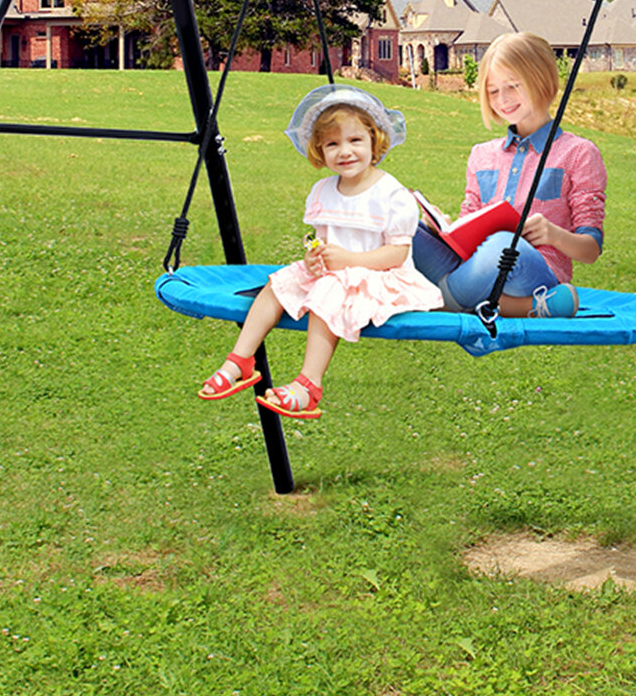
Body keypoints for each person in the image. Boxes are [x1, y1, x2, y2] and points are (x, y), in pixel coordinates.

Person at [196, 84, 442, 419]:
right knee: (277, 284)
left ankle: (309, 385)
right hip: (335, 270)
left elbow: (397, 255)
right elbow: (322, 239)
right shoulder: (324, 190)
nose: (345, 151)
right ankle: (240, 359)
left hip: (378, 276)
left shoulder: (390, 194)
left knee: (328, 289)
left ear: (374, 140)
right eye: (332, 143)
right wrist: (314, 256)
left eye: (355, 140)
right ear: (319, 151)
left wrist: (349, 261)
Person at [412, 31, 605, 319]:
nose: (503, 100)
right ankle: (519, 308)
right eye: (493, 91)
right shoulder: (482, 154)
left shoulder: (578, 153)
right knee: (402, 227)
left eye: (513, 86)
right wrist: (447, 229)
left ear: (541, 80)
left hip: (532, 273)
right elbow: (470, 230)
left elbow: (590, 250)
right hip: (475, 269)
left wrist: (553, 235)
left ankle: (443, 303)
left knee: (505, 243)